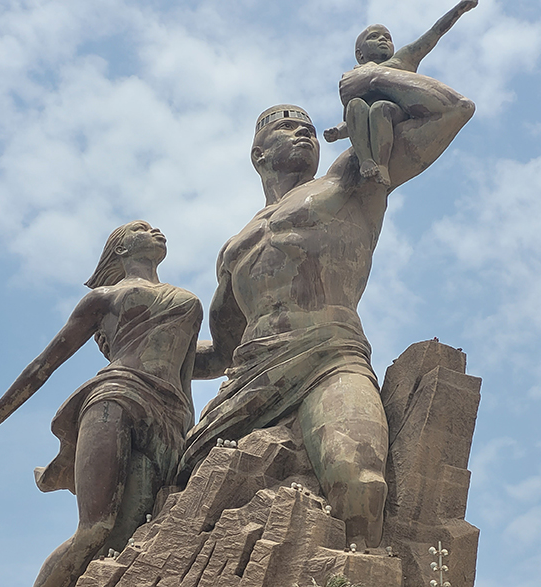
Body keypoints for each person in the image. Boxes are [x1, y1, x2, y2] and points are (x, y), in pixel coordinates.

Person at [181, 73, 474, 549]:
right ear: (258, 156)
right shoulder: (234, 250)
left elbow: (453, 110)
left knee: (360, 480)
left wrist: (376, 77)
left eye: (311, 129)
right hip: (250, 377)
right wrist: (140, 354)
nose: (305, 134)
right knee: (179, 493)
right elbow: (220, 356)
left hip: (331, 356)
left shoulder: (353, 176)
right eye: (287, 127)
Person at [0, 220, 202, 587]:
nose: (157, 230)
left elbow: (195, 364)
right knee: (95, 528)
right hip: (116, 398)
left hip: (171, 418)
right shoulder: (105, 298)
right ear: (121, 249)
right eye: (143, 227)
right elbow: (44, 364)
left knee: (131, 533)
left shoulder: (188, 301)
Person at [324, 0, 478, 186]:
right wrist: (338, 132)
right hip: (365, 127)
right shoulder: (352, 79)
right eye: (374, 37)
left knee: (380, 108)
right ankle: (366, 160)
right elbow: (354, 122)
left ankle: (381, 165)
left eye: (388, 38)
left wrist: (459, 9)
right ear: (360, 54)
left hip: (392, 114)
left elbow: (432, 35)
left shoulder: (400, 61)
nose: (383, 40)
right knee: (356, 104)